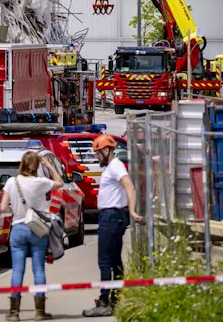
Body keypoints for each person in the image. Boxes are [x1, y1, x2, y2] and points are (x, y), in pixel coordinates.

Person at [83, 134, 143, 317]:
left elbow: (129, 187)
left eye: (98, 153)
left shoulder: (115, 166)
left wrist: (132, 210)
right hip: (113, 216)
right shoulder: (112, 166)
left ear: (106, 150)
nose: (96, 157)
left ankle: (104, 302)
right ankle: (115, 300)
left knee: (104, 262)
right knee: (115, 261)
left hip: (111, 217)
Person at [0, 151, 64, 321]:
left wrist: (15, 210)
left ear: (21, 164)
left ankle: (14, 312)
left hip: (18, 228)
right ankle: (40, 312)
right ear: (36, 166)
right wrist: (48, 164)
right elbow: (60, 183)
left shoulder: (11, 182)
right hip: (37, 228)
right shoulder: (41, 182)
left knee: (17, 269)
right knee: (38, 269)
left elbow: (3, 207)